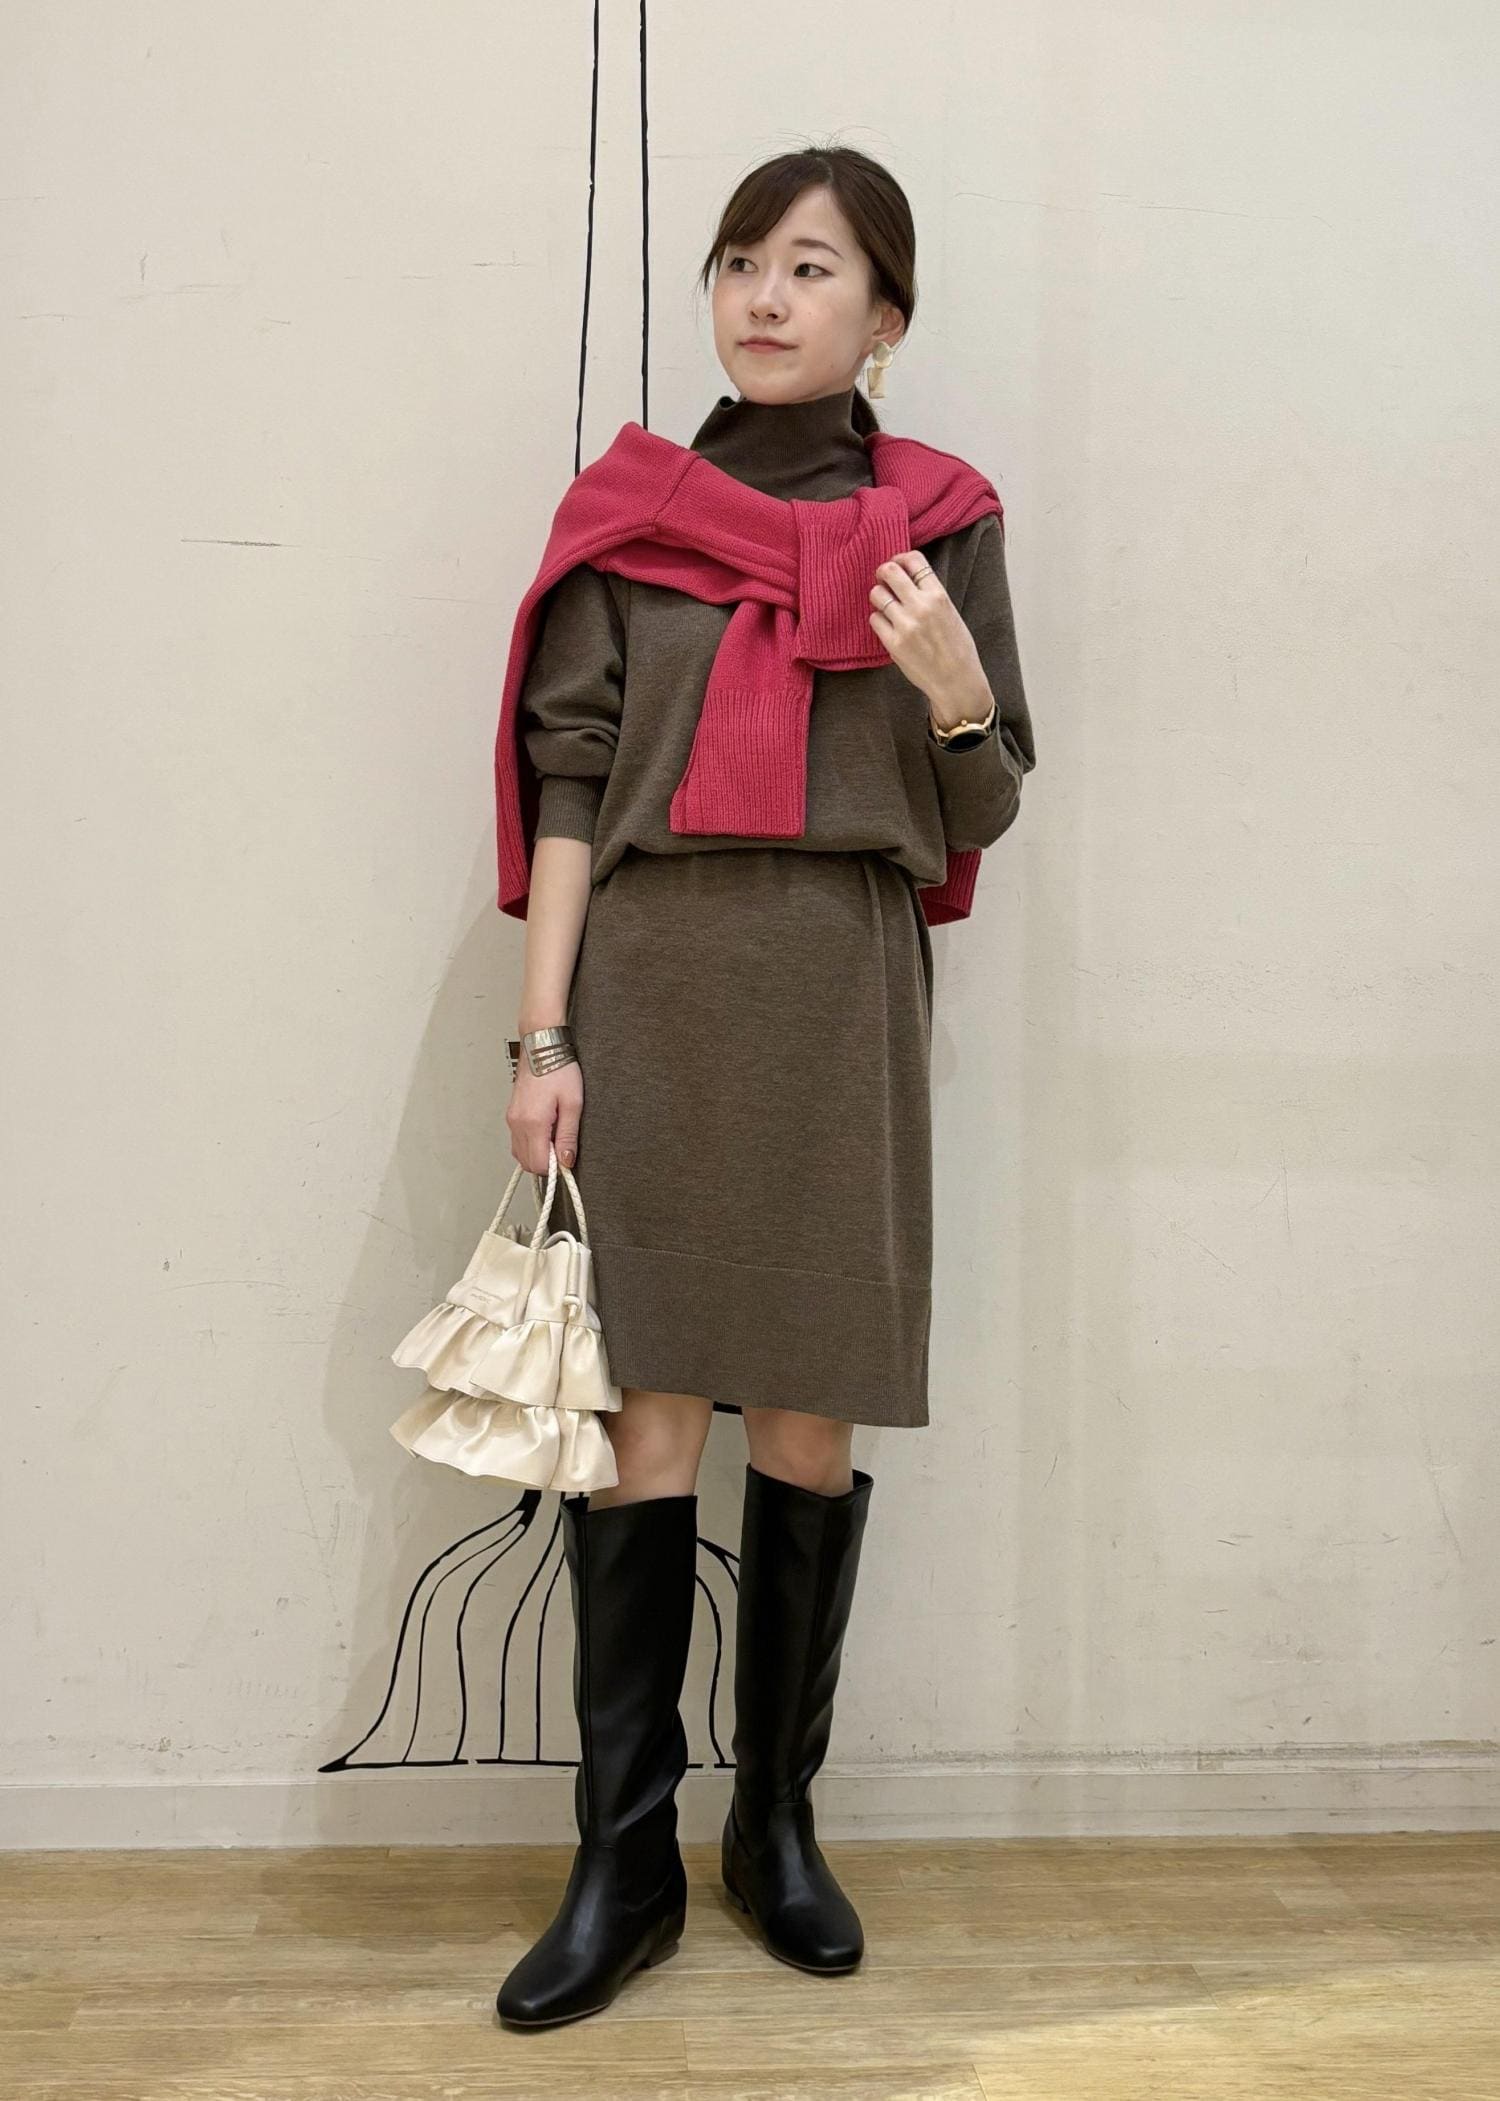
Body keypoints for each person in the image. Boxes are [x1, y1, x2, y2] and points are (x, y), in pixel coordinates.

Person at [493, 143, 1036, 2029]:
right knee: (643, 1422)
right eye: (741, 262)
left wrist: (954, 686)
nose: (765, 296)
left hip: (835, 995)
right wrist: (543, 1039)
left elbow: (984, 805)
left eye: (810, 267)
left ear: (886, 315)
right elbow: (571, 779)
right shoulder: (633, 513)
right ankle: (622, 1860)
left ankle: (774, 1827)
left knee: (806, 1423)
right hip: (650, 989)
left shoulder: (941, 525)